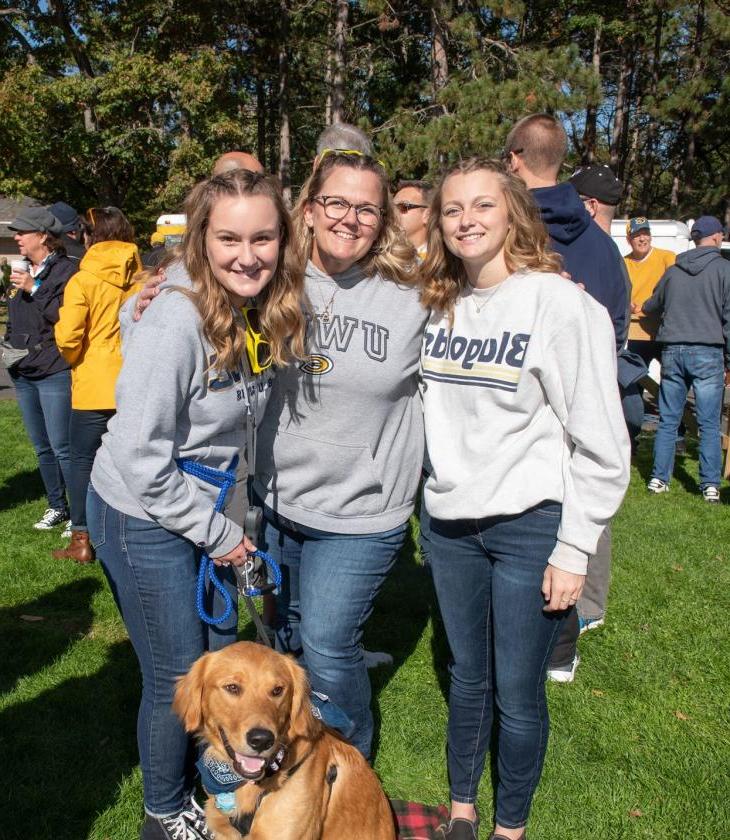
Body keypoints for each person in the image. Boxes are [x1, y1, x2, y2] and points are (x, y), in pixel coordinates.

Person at [86, 169, 306, 840]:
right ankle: (163, 812)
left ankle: (221, 784)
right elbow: (141, 457)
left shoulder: (256, 306)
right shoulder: (177, 318)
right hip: (139, 511)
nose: (248, 254)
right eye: (230, 238)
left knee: (221, 652)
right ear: (202, 240)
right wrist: (224, 539)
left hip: (199, 509)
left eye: (263, 237)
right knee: (177, 673)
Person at [419, 158, 629, 840]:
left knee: (517, 688)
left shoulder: (561, 305)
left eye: (482, 205)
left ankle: (511, 825)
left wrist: (575, 548)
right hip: (449, 526)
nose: (467, 220)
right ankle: (461, 811)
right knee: (466, 677)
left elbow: (601, 441)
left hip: (529, 526)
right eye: (452, 210)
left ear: (513, 211)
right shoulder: (436, 303)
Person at [253, 148, 426, 759]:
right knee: (286, 637)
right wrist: (154, 286)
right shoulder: (273, 278)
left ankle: (350, 761)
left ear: (383, 221)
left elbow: (495, 294)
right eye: (336, 202)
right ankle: (293, 750)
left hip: (362, 508)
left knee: (327, 643)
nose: (349, 219)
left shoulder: (418, 292)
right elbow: (206, 267)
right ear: (309, 208)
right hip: (275, 500)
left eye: (366, 209)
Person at [52, 207, 142, 564]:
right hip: (134, 382)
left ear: (91, 235)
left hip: (93, 386)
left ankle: (81, 538)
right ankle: (132, 532)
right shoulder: (144, 279)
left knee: (82, 462)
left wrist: (77, 360)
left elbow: (69, 335)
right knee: (132, 461)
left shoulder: (83, 279)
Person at [504, 114, 628, 348]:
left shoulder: (505, 230)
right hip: (587, 371)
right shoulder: (605, 245)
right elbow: (617, 329)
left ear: (514, 160)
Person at [643, 215, 730, 503]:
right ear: (717, 237)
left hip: (673, 350)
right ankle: (710, 485)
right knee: (708, 423)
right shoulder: (724, 270)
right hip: (708, 351)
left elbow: (652, 305)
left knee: (668, 419)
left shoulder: (674, 270)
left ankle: (658, 479)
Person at [5, 207, 76, 532]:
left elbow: (65, 316)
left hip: (53, 369)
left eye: (22, 231)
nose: (16, 237)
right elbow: (15, 316)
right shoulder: (21, 270)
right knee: (42, 447)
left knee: (63, 447)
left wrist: (34, 287)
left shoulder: (65, 271)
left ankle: (80, 515)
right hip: (24, 371)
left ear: (44, 236)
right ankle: (56, 506)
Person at [393, 179, 432, 258]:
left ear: (427, 215)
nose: (393, 213)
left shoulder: (442, 264)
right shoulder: (378, 260)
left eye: (403, 207)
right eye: (392, 208)